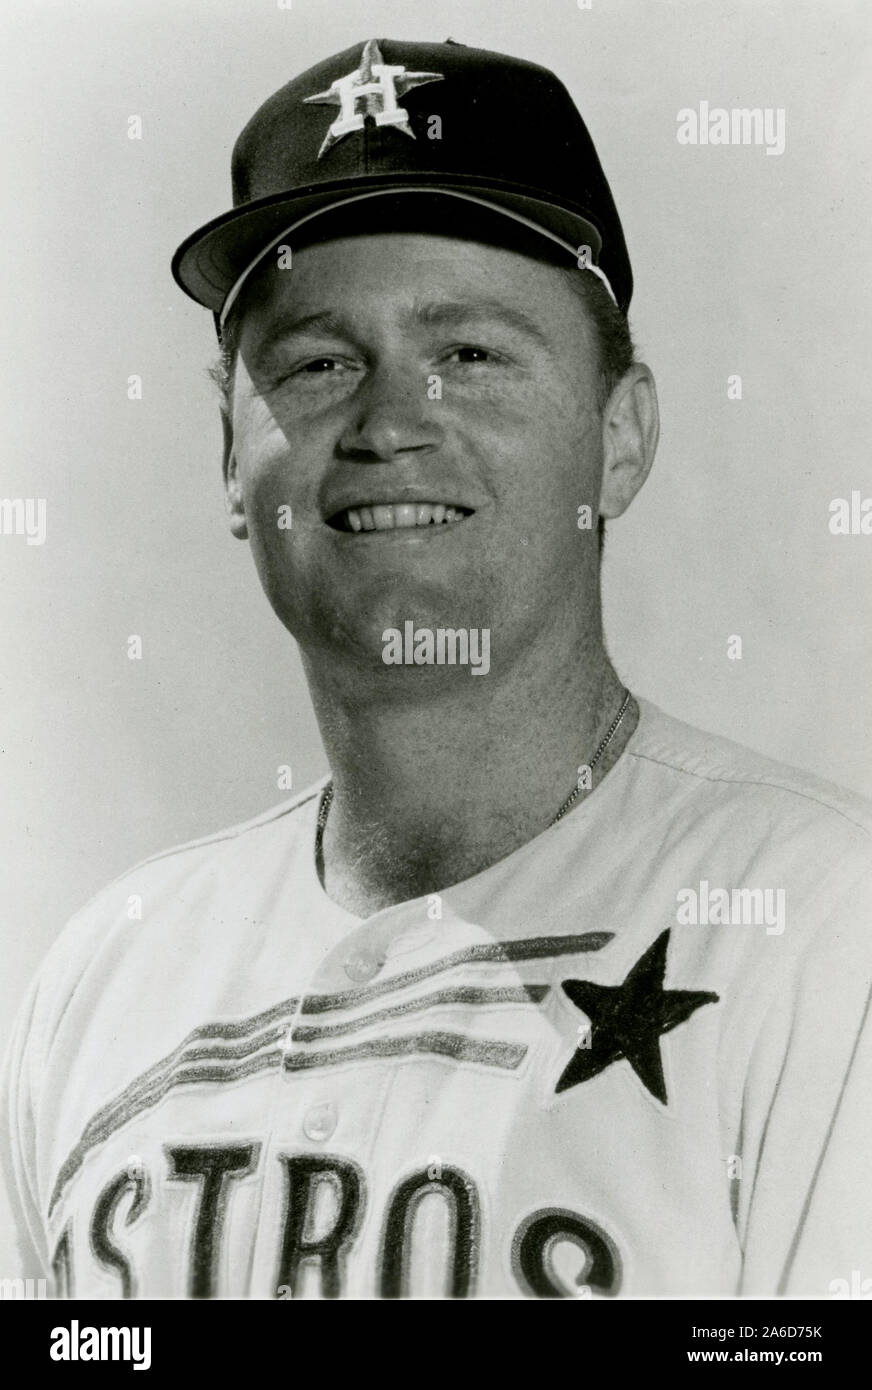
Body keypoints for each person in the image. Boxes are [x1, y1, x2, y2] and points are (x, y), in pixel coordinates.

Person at [2, 37, 870, 1301]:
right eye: (315, 363)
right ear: (230, 459)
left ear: (618, 439)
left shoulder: (819, 938)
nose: (390, 421)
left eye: (469, 354)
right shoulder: (107, 979)